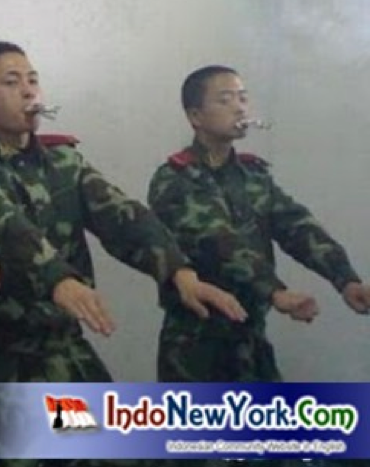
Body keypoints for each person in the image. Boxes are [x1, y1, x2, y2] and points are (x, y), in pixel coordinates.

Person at [0, 41, 247, 467]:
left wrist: (178, 272)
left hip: (65, 356)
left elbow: (122, 214)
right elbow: (2, 226)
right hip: (1, 364)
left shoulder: (64, 160)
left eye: (33, 80)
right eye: (11, 82)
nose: (28, 90)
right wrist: (58, 279)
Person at [147, 65, 370, 467]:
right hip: (197, 349)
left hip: (250, 341)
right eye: (225, 99)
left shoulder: (253, 174)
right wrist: (275, 291)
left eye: (243, 97)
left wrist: (346, 280)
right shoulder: (174, 180)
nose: (239, 107)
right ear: (195, 116)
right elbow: (218, 242)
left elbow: (297, 226)